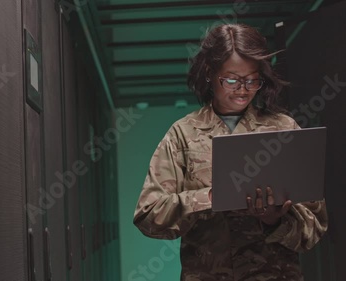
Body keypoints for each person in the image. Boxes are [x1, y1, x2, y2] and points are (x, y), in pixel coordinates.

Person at [133, 23, 328, 281]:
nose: (243, 89)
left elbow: (315, 226)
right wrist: (211, 197)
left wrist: (275, 221)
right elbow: (149, 216)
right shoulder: (183, 135)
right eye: (232, 80)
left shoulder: (283, 130)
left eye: (252, 80)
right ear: (210, 73)